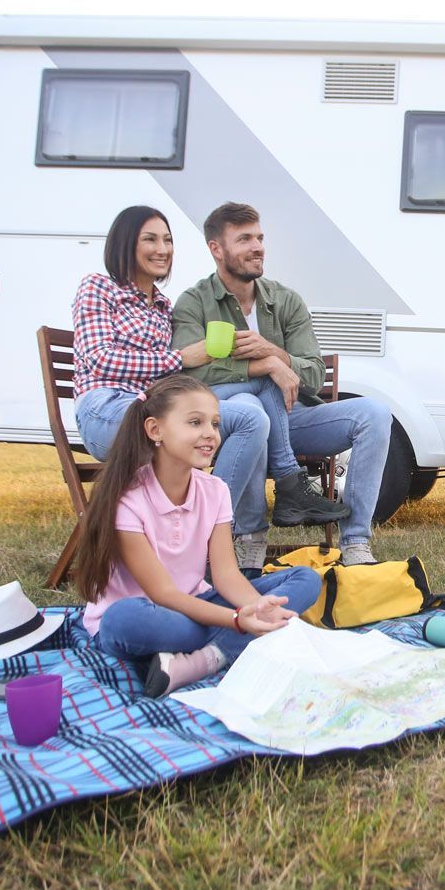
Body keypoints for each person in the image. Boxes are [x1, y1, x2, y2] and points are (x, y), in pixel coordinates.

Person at [172, 202, 392, 568]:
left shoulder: (285, 301)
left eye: (259, 237)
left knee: (375, 413)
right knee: (249, 405)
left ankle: (355, 543)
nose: (258, 246)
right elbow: (190, 376)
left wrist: (277, 355)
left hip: (294, 420)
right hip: (231, 423)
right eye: (244, 239)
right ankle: (250, 536)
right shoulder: (194, 303)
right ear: (216, 249)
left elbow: (313, 374)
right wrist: (265, 366)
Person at [73, 373, 322, 698]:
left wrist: (257, 609)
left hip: (198, 601)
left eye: (215, 424)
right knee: (122, 620)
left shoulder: (215, 490)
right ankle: (236, 642)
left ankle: (206, 659)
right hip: (149, 613)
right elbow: (163, 594)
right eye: (195, 423)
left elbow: (227, 576)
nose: (210, 435)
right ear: (155, 430)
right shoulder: (128, 499)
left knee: (307, 579)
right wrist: (235, 621)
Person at [71, 206, 266, 538]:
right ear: (125, 244)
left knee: (251, 407)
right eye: (150, 239)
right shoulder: (99, 288)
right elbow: (99, 358)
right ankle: (206, 536)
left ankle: (229, 531)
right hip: (106, 409)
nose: (162, 249)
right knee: (241, 415)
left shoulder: (164, 306)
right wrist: (179, 358)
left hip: (155, 408)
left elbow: (174, 376)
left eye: (168, 240)